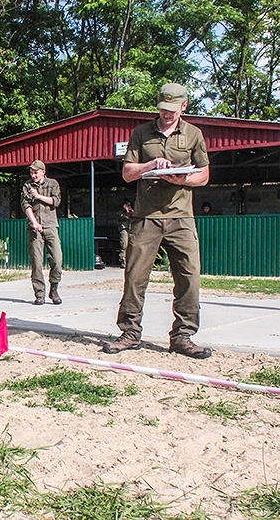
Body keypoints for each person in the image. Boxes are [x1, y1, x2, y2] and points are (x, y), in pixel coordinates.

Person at [103, 83, 212, 359]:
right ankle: (130, 333)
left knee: (188, 277)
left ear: (184, 106)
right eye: (163, 108)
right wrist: (151, 165)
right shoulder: (141, 133)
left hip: (181, 217)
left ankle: (182, 336)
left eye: (172, 109)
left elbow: (204, 175)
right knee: (135, 276)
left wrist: (182, 179)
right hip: (146, 217)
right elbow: (128, 173)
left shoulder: (194, 134)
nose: (167, 113)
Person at [21, 160, 63, 305]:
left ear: (43, 172)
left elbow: (55, 201)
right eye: (31, 173)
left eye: (36, 173)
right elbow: (26, 205)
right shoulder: (27, 186)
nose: (33, 176)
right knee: (36, 262)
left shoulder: (53, 184)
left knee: (57, 259)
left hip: (51, 225)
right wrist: (34, 223)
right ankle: (39, 294)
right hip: (34, 227)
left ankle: (54, 289)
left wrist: (38, 196)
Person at [117, 199, 134, 267]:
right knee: (124, 245)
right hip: (124, 229)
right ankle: (123, 261)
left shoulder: (133, 212)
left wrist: (132, 211)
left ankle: (131, 261)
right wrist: (127, 211)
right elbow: (125, 217)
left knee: (132, 245)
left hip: (131, 230)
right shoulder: (121, 213)